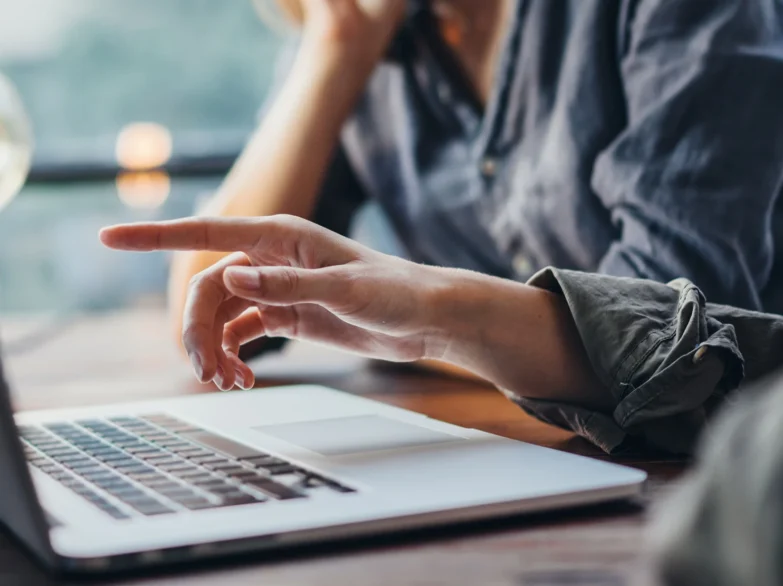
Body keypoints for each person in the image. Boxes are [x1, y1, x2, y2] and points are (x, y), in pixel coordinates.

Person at [169, 0, 783, 358]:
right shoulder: (372, 32)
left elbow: (672, 328)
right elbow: (213, 316)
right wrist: (335, 44)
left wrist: (436, 320)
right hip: (526, 451)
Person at [100, 215, 783, 456]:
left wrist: (452, 318)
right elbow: (209, 301)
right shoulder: (394, 60)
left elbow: (686, 337)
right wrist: (335, 47)